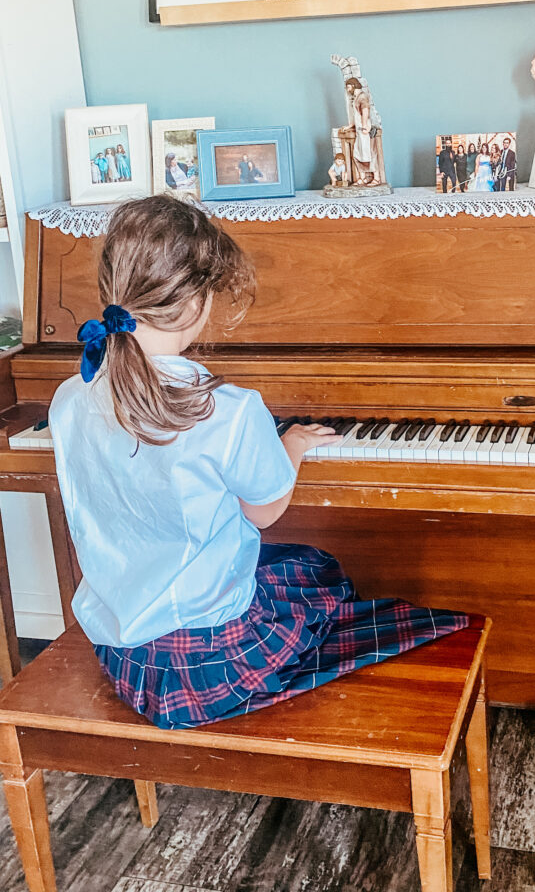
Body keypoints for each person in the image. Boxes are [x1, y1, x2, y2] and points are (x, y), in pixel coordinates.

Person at [47, 196, 467, 730]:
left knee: (299, 566)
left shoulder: (69, 396)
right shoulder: (225, 409)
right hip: (209, 667)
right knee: (321, 575)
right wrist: (291, 444)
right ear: (198, 303)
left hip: (126, 654)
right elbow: (264, 512)